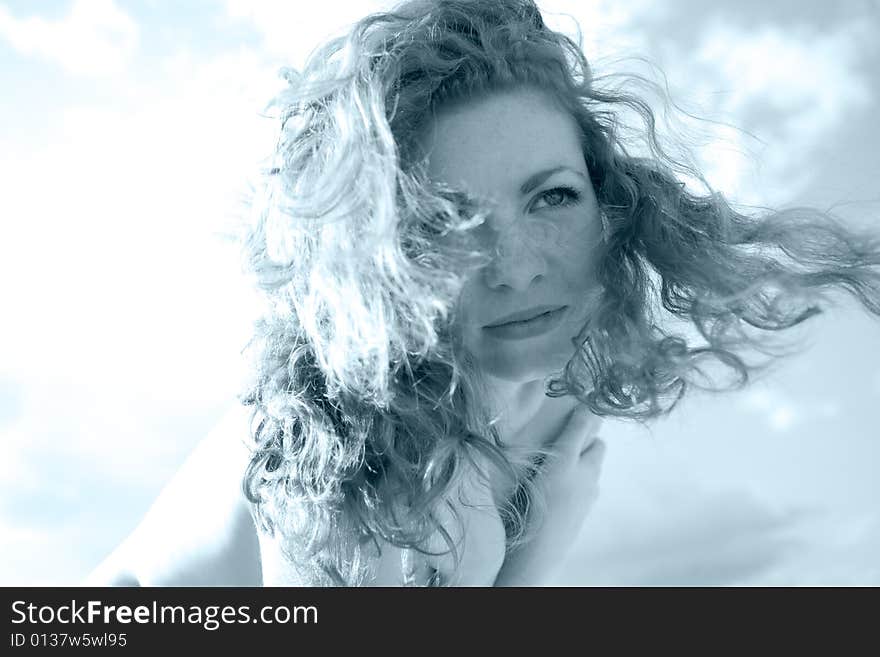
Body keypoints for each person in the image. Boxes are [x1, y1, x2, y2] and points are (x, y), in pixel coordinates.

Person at [86, 0, 880, 587]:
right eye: (447, 223)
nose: (516, 267)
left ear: (613, 204)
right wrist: (534, 556)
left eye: (553, 198)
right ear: (383, 259)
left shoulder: (560, 392)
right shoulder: (357, 449)